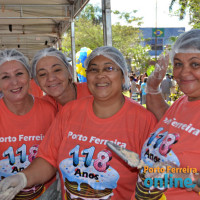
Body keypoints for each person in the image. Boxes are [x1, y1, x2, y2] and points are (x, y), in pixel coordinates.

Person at [0, 46, 157, 200]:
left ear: (123, 76)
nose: (100, 75)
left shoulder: (143, 120)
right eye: (93, 69)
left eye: (108, 68)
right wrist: (23, 178)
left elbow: (154, 175)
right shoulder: (69, 111)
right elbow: (48, 158)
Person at [132, 29, 200, 200]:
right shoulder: (184, 101)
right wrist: (152, 86)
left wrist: (182, 177)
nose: (183, 73)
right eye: (178, 64)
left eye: (195, 64)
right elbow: (167, 119)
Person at [0, 49, 57, 199]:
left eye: (19, 74)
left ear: (29, 75)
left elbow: (56, 155)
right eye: (5, 77)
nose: (14, 82)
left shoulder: (49, 111)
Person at [31, 47, 91, 112]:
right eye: (43, 74)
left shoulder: (94, 92)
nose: (51, 78)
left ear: (69, 71)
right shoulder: (41, 109)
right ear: (37, 81)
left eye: (57, 70)